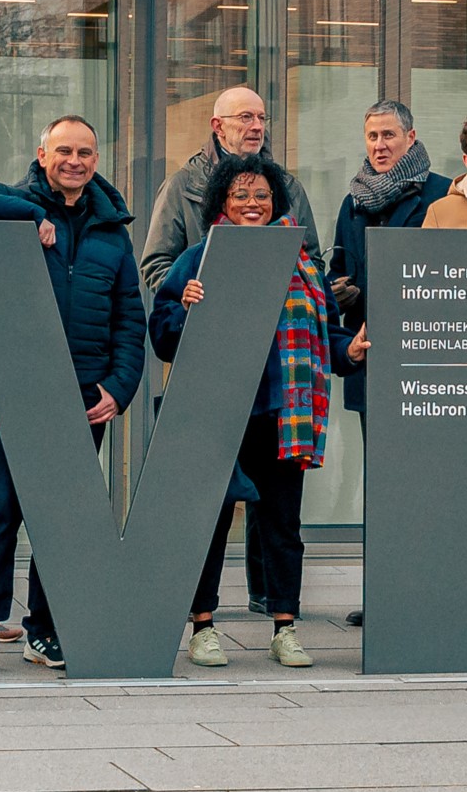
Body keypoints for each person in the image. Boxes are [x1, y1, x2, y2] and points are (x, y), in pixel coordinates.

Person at [0, 114, 146, 677]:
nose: (74, 161)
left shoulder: (112, 229)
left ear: (96, 160)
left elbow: (129, 318)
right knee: (2, 511)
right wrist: (31, 214)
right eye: (64, 151)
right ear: (42, 155)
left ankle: (45, 629)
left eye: (84, 152)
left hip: (87, 395)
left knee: (63, 520)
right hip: (24, 389)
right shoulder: (15, 204)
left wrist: (119, 388)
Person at [152, 154, 332, 670]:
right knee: (210, 521)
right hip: (219, 410)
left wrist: (353, 349)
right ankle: (203, 628)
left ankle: (284, 628)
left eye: (262, 196)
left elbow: (330, 332)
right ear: (222, 202)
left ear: (276, 202)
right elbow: (162, 336)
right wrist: (184, 308)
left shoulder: (301, 262)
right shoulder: (198, 258)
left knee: (281, 524)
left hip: (283, 412)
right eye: (241, 195)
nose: (253, 204)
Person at [327, 100, 449, 630]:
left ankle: (429, 593)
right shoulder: (353, 202)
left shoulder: (442, 193)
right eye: (372, 136)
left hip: (430, 360)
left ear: (411, 138)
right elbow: (337, 267)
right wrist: (340, 293)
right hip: (372, 360)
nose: (379, 145)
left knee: (427, 482)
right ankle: (382, 596)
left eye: (389, 135)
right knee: (381, 486)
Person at [142, 86, 320, 293]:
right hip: (207, 309)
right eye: (246, 117)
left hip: (283, 311)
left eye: (262, 118)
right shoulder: (182, 186)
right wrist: (192, 293)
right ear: (218, 126)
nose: (257, 126)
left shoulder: (289, 187)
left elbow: (312, 260)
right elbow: (156, 264)